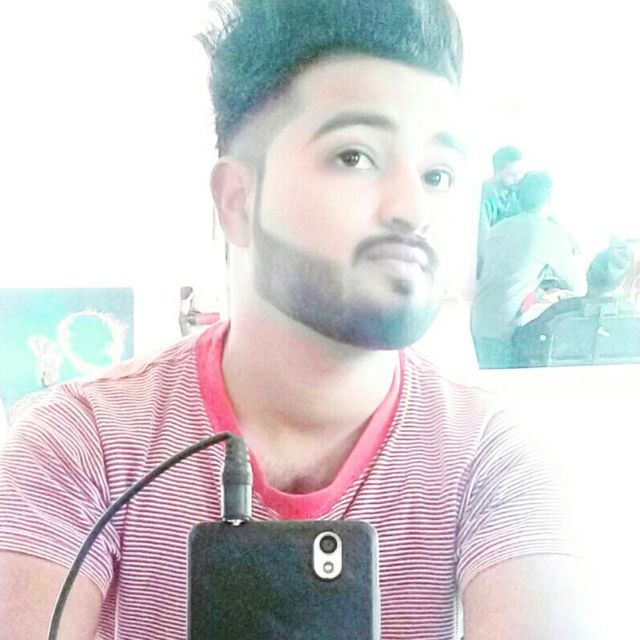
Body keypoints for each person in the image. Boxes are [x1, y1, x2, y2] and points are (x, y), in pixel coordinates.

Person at [0, 2, 591, 639]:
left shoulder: (494, 456)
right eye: (355, 156)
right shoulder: (81, 442)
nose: (413, 209)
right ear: (237, 201)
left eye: (438, 174)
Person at [471, 171, 585, 368]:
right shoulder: (550, 233)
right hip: (506, 329)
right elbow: (578, 285)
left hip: (479, 321)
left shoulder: (500, 227)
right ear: (549, 198)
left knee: (491, 379)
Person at [512, 243, 636, 365]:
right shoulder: (634, 319)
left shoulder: (560, 311)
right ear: (623, 282)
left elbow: (520, 342)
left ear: (588, 274)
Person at [476, 146, 524, 277]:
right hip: (490, 269)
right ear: (497, 172)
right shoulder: (484, 195)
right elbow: (483, 244)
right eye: (512, 174)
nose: (518, 179)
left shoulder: (513, 191)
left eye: (520, 173)